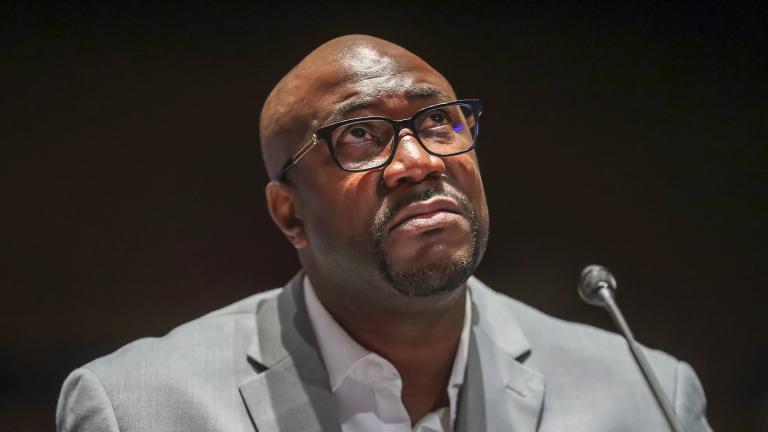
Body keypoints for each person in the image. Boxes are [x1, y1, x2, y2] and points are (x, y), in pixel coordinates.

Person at [56, 35, 712, 432]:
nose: (419, 162)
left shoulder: (644, 395)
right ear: (289, 214)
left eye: (439, 123)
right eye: (359, 136)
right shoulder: (138, 408)